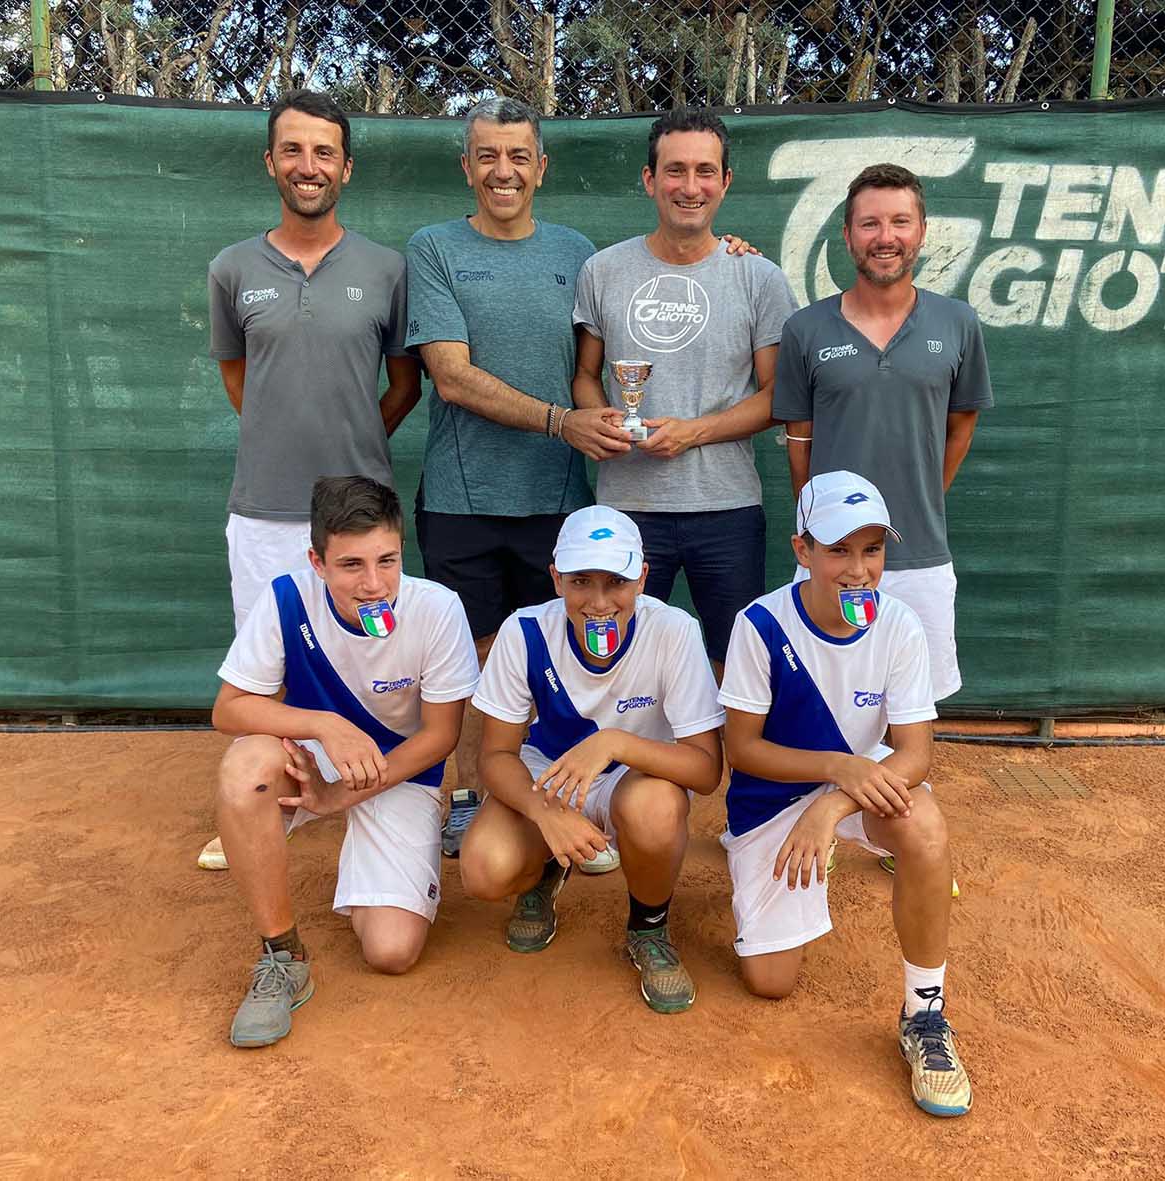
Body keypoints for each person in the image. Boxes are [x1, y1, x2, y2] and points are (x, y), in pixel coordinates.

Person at [402, 96, 630, 871]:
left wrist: (729, 252)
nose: (504, 171)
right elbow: (451, 377)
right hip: (461, 499)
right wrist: (562, 422)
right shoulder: (433, 248)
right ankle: (472, 799)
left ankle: (565, 799)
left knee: (559, 656)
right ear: (467, 167)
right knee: (472, 657)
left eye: (519, 156)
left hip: (559, 502)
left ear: (541, 167)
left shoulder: (578, 253)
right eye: (489, 156)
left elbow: (609, 352)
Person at [201, 89, 422, 871]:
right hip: (263, 509)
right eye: (293, 150)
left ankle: (380, 790)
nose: (309, 165)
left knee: (374, 652)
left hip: (360, 513)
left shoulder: (387, 269)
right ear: (271, 161)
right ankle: (275, 798)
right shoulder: (232, 269)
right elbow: (240, 382)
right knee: (267, 665)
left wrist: (352, 446)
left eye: (324, 151)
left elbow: (404, 385)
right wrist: (285, 437)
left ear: (346, 168)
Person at [718, 471, 971, 1116]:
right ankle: (756, 859)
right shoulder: (759, 624)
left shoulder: (901, 622)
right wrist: (837, 768)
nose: (858, 570)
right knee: (770, 983)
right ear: (802, 550)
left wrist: (833, 803)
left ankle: (924, 1015)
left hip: (852, 786)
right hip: (775, 796)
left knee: (924, 827)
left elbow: (915, 754)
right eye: (838, 550)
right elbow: (741, 749)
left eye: (872, 550)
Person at [210, 477, 478, 1048]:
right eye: (351, 564)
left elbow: (441, 737)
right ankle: (283, 956)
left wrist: (342, 798)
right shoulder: (286, 597)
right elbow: (229, 709)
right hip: (314, 757)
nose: (374, 583)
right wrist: (324, 726)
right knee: (245, 770)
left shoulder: (437, 608)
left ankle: (371, 863)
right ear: (318, 562)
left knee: (391, 951)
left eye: (388, 560)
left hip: (398, 770)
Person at [458, 506, 725, 1014]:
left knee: (656, 808)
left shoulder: (673, 630)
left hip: (635, 778)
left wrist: (615, 743)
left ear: (642, 578)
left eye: (616, 581)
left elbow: (706, 770)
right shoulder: (525, 631)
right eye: (581, 581)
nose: (599, 602)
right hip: (550, 775)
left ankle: (648, 927)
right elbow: (496, 754)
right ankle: (546, 868)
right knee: (485, 869)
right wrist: (545, 813)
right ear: (556, 578)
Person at [571, 109, 797, 667]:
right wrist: (601, 421)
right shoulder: (603, 270)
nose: (690, 187)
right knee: (618, 662)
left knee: (735, 663)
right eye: (675, 170)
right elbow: (585, 376)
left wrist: (693, 433)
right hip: (626, 508)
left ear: (725, 181)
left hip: (726, 507)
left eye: (705, 171)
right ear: (650, 179)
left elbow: (778, 396)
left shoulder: (758, 277)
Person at [773, 163, 993, 702]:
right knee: (825, 701)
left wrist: (922, 497)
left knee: (914, 707)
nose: (885, 237)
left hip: (921, 557)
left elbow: (961, 426)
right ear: (848, 235)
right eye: (870, 224)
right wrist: (818, 520)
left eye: (899, 222)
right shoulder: (805, 329)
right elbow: (799, 438)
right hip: (831, 559)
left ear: (922, 232)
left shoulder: (958, 322)